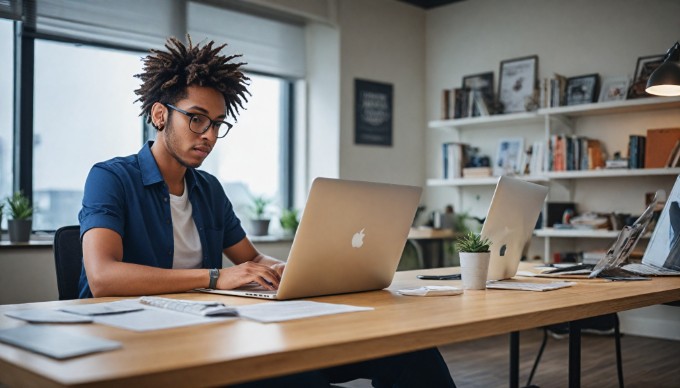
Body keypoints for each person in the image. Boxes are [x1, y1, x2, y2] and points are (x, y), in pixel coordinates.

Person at [78, 36, 456, 387]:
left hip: (210, 332)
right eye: (196, 118)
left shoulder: (206, 189)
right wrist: (215, 277)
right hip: (144, 344)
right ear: (160, 115)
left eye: (216, 123)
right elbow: (103, 277)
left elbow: (251, 257)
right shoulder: (110, 178)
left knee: (410, 349)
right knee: (294, 376)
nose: (209, 134)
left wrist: (295, 273)